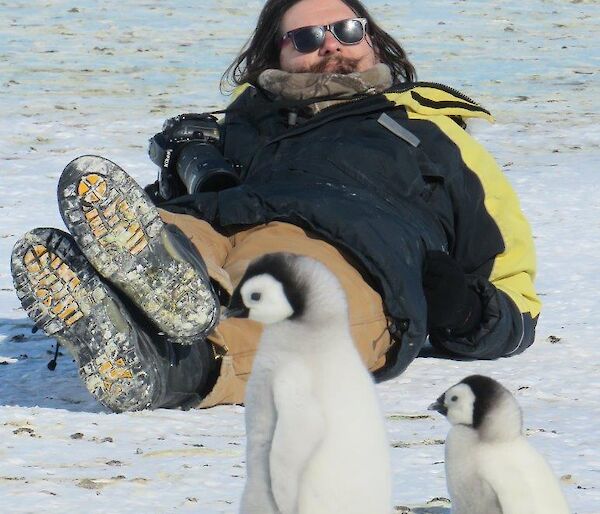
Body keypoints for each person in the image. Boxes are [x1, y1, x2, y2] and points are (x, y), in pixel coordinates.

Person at [11, 0, 540, 412]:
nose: (331, 46)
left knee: (300, 301)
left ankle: (171, 363)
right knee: (170, 231)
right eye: (308, 38)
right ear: (277, 55)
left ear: (372, 39)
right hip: (220, 223)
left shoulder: (430, 132)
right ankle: (162, 279)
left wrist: (468, 312)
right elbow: (186, 202)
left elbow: (515, 293)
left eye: (347, 30)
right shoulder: (242, 125)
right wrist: (176, 176)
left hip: (353, 248)